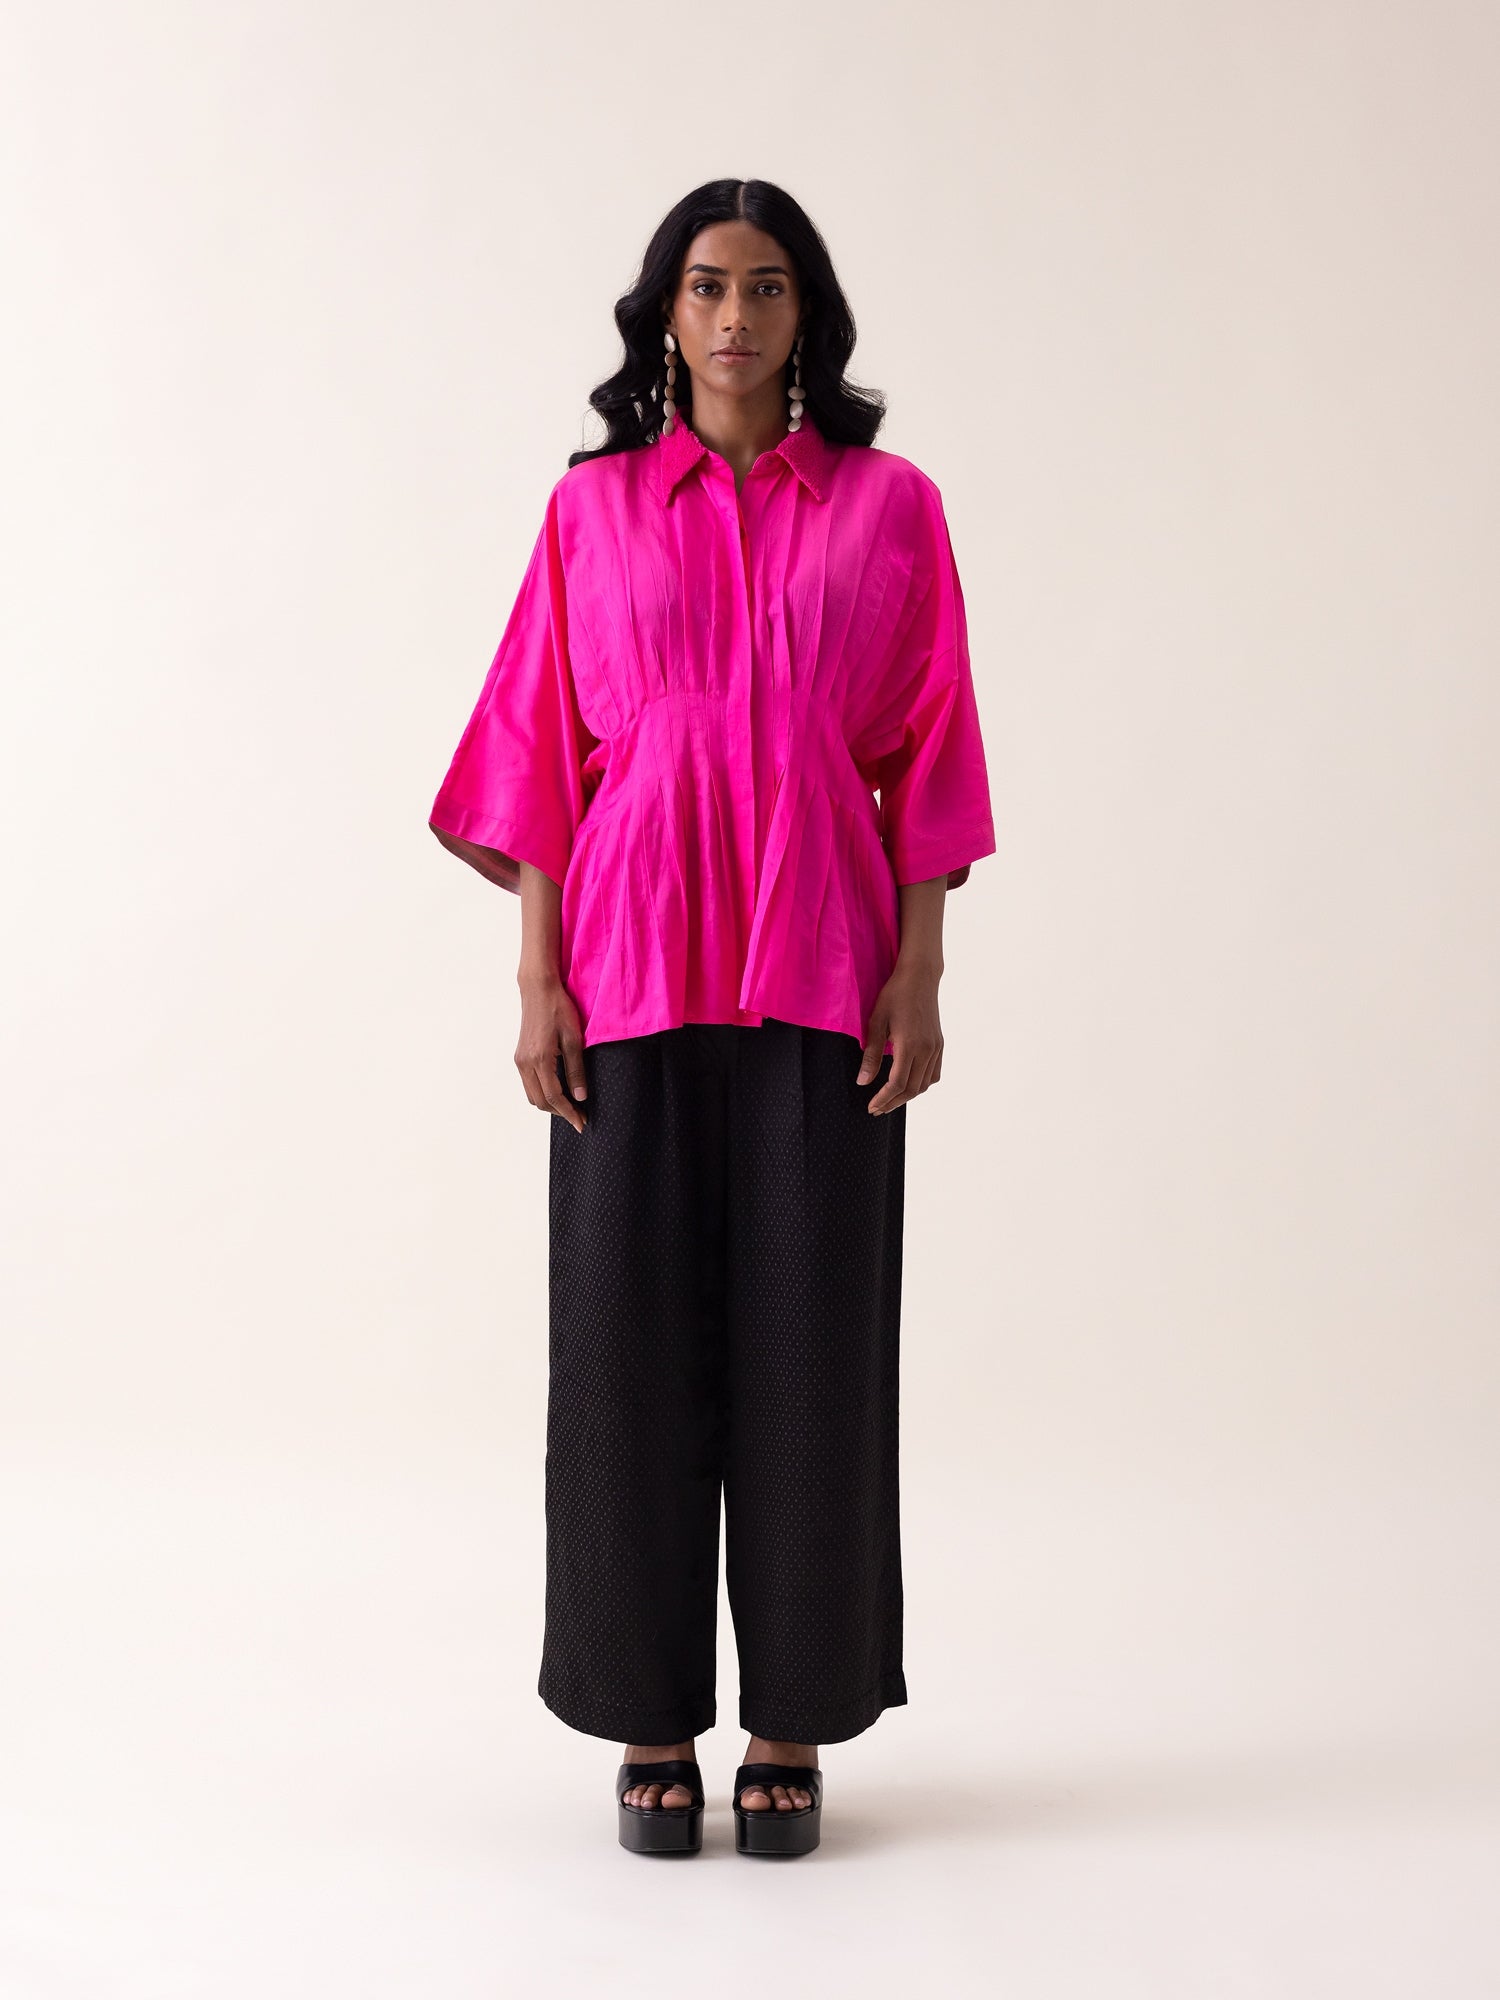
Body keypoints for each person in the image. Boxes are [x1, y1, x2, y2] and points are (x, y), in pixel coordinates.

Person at [427, 178, 996, 1858]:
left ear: (806, 312)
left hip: (826, 968)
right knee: (626, 1356)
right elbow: (540, 747)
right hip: (629, 969)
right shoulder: (592, 510)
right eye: (703, 286)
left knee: (815, 1353)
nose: (734, 315)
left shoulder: (892, 508)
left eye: (764, 286)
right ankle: (650, 1718)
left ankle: (793, 1720)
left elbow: (933, 742)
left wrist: (921, 966)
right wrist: (538, 976)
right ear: (664, 318)